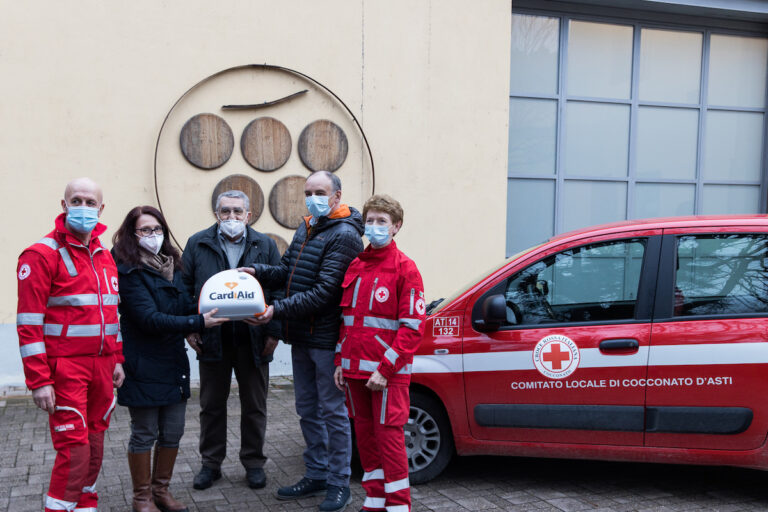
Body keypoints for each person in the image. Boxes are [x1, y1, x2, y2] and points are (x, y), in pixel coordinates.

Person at [242, 170, 363, 512]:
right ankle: (317, 473)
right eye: (308, 191)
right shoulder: (307, 226)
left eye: (320, 192)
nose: (313, 197)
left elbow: (325, 293)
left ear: (338, 196)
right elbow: (286, 272)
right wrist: (259, 272)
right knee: (307, 410)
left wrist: (274, 311)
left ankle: (339, 483)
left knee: (332, 413)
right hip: (302, 337)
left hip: (324, 339)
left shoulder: (345, 235)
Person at [16, 177, 125, 512]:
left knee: (94, 444)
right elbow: (28, 325)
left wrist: (117, 358)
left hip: (103, 368)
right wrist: (39, 381)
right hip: (66, 370)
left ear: (101, 208)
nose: (83, 208)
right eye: (76, 201)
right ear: (63, 206)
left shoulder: (104, 255)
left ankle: (85, 505)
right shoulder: (39, 255)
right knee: (74, 449)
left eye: (90, 203)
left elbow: (112, 312)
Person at [113, 206, 230, 512]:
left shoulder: (172, 265)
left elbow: (182, 306)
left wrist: (221, 302)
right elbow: (149, 319)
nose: (152, 236)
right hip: (142, 363)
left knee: (174, 431)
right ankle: (142, 498)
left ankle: (160, 491)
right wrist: (198, 323)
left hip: (173, 362)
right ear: (131, 234)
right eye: (144, 230)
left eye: (157, 229)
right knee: (145, 432)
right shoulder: (127, 270)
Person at [182, 190, 282, 491]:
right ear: (216, 214)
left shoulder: (264, 244)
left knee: (255, 405)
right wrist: (191, 326)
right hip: (213, 339)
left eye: (238, 212)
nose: (232, 218)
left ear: (248, 215)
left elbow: (279, 288)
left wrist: (274, 332)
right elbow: (185, 287)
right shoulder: (197, 243)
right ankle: (210, 464)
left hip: (254, 339)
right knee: (211, 405)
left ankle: (253, 463)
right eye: (225, 211)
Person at [333, 194, 426, 512]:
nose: (374, 227)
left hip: (388, 375)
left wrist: (384, 370)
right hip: (354, 371)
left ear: (396, 227)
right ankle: (375, 498)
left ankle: (399, 504)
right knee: (366, 439)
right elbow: (346, 322)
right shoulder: (356, 265)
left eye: (381, 222)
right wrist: (339, 361)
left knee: (389, 440)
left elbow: (412, 328)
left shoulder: (406, 269)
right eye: (369, 221)